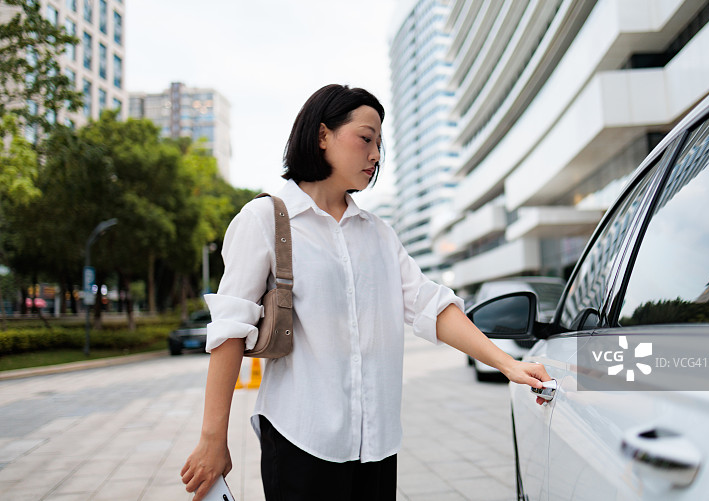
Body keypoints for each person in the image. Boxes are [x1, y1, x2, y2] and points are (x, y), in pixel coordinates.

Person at [180, 84, 551, 501]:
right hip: (301, 441)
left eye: (379, 143)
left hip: (376, 446)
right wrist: (214, 438)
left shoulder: (377, 233)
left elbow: (430, 304)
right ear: (322, 136)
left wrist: (508, 365)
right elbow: (231, 328)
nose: (376, 155)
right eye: (365, 138)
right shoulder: (264, 219)